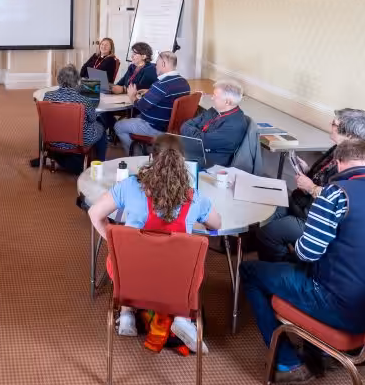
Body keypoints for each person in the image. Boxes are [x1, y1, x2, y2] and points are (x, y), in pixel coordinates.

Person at [240, 138, 365, 382]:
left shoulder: (337, 194)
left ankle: (287, 362)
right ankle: (318, 346)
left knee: (250, 271)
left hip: (338, 306)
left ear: (338, 163)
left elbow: (306, 253)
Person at [87, 135, 222, 351]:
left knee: (126, 261)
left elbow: (95, 214)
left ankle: (127, 312)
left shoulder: (130, 186)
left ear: (151, 157)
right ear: (183, 162)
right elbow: (216, 224)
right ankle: (181, 318)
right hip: (175, 280)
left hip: (134, 274)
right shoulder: (195, 197)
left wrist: (115, 244)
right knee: (186, 265)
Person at [256, 108, 365, 262]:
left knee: (269, 233)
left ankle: (284, 268)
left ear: (350, 134)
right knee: (268, 214)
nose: (330, 125)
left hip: (318, 218)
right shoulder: (344, 147)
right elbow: (328, 177)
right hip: (304, 204)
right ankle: (269, 253)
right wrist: (308, 171)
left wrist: (312, 187)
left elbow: (346, 202)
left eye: (334, 124)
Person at [31, 64, 107, 172]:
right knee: (101, 127)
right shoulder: (84, 100)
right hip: (78, 142)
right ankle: (100, 165)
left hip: (53, 140)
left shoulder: (48, 96)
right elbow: (92, 119)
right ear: (77, 81)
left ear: (59, 79)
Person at [113, 52, 190, 150]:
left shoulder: (161, 85)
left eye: (157, 63)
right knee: (135, 117)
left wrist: (132, 96)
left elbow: (141, 106)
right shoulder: (184, 82)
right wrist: (150, 91)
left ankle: (135, 156)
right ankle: (143, 150)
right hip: (172, 127)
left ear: (163, 64)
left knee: (119, 126)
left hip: (155, 127)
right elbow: (166, 95)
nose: (155, 67)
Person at [179, 81, 247, 167]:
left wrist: (195, 133)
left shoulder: (234, 125)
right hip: (195, 151)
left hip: (209, 163)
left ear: (227, 102)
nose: (212, 98)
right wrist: (198, 135)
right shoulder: (215, 110)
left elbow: (200, 142)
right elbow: (185, 125)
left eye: (215, 96)